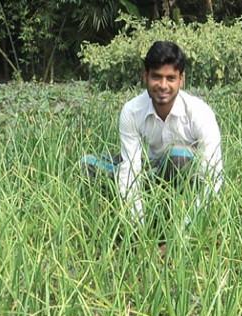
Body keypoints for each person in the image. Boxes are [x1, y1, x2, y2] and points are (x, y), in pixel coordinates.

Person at [81, 41, 223, 224]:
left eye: (171, 78)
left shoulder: (200, 113)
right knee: (87, 166)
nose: (163, 85)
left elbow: (213, 177)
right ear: (145, 77)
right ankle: (107, 225)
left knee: (178, 158)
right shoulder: (132, 111)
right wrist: (139, 227)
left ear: (181, 80)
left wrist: (184, 229)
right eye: (156, 77)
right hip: (149, 173)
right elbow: (130, 171)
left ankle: (169, 222)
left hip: (186, 183)